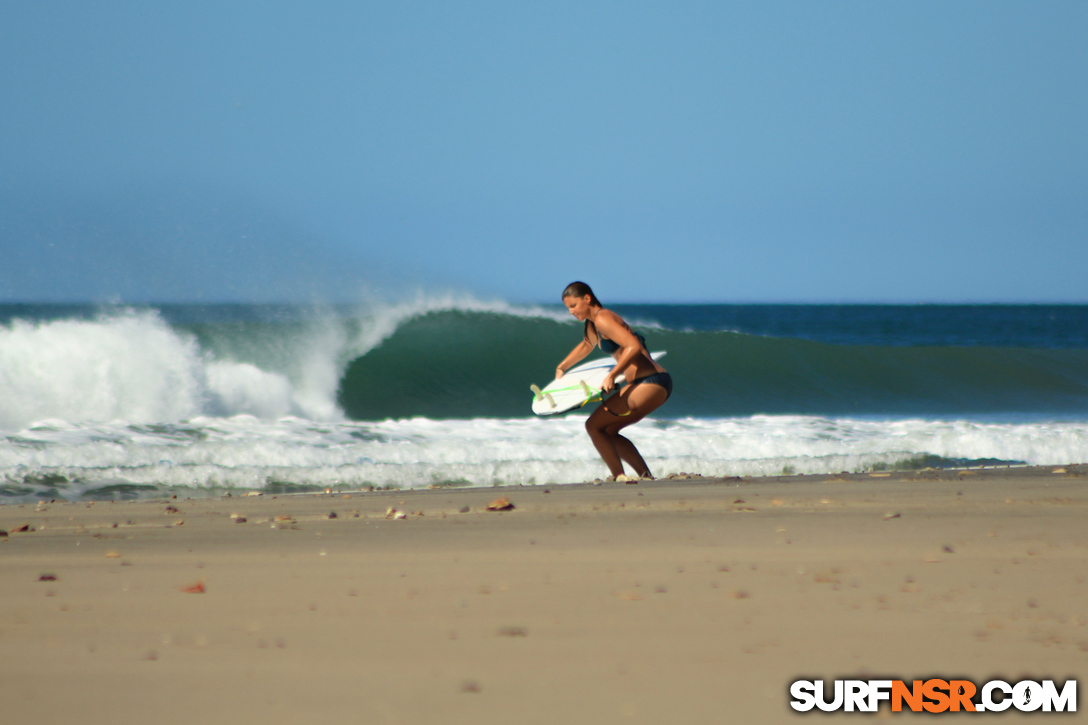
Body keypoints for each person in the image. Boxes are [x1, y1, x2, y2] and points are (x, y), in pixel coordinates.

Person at [555, 281, 672, 482]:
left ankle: (619, 476)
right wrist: (562, 367)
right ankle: (646, 477)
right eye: (568, 308)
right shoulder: (593, 325)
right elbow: (586, 345)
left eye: (573, 306)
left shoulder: (603, 318)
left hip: (650, 381)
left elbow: (633, 346)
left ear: (587, 298)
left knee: (593, 426)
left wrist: (611, 375)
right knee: (608, 430)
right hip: (649, 384)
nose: (571, 312)